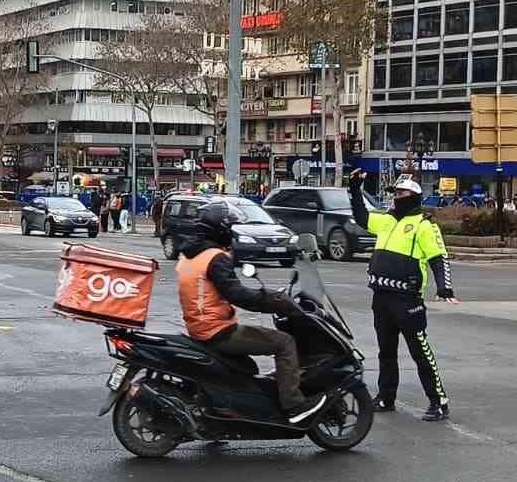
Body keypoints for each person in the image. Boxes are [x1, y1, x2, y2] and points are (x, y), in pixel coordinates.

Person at [176, 200, 326, 425]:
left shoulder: (188, 256)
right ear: (219, 229)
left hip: (199, 327)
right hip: (218, 331)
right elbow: (237, 294)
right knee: (284, 343)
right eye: (229, 228)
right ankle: (294, 405)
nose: (231, 233)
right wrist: (274, 300)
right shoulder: (214, 258)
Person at [348, 169, 456, 422]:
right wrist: (354, 189)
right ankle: (387, 397)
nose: (397, 197)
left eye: (402, 193)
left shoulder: (424, 224)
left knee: (420, 351)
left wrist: (444, 287)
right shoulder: (386, 220)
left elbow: (438, 258)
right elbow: (362, 217)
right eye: (395, 193)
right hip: (381, 296)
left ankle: (438, 401)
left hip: (407, 299)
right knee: (386, 352)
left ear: (415, 196)